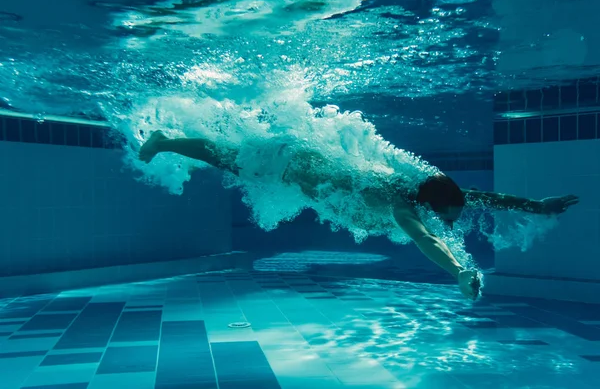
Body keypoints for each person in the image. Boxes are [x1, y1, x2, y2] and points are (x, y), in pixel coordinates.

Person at [139, 131, 579, 300]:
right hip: (294, 169)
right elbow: (427, 240)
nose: (453, 220)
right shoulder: (403, 205)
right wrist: (460, 272)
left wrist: (537, 207)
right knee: (230, 160)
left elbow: (489, 198)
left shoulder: (434, 192)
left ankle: (173, 140)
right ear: (431, 206)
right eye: (450, 215)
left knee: (233, 158)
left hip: (311, 167)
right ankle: (163, 141)